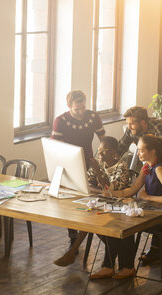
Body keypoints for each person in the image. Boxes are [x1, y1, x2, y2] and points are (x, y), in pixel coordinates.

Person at [117, 106, 162, 264]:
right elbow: (119, 150)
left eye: (132, 124)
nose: (129, 128)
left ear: (143, 123)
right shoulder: (147, 163)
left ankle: (158, 250)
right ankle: (154, 251)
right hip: (153, 164)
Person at [53, 136, 132, 273]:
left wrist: (98, 173)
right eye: (98, 150)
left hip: (119, 208)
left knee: (96, 221)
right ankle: (76, 252)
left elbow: (111, 190)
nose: (99, 154)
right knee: (88, 216)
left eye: (104, 151)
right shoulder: (99, 164)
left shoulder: (122, 166)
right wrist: (101, 190)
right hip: (102, 204)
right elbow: (88, 184)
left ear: (114, 152)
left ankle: (74, 251)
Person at [108, 134, 162, 267]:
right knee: (120, 220)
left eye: (141, 150)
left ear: (152, 151)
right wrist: (110, 193)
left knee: (126, 224)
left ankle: (125, 266)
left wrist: (147, 197)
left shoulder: (159, 169)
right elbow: (131, 190)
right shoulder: (146, 168)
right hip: (154, 213)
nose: (138, 154)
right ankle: (122, 265)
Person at [51, 90, 108, 252]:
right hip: (67, 163)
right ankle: (73, 236)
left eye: (83, 107)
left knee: (90, 196)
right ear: (69, 106)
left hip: (89, 161)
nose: (81, 112)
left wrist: (102, 157)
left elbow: (103, 140)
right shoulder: (60, 121)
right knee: (70, 201)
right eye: (77, 109)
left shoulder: (93, 117)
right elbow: (56, 147)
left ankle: (93, 229)